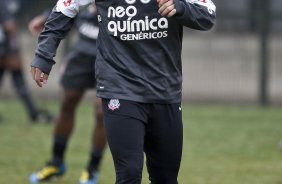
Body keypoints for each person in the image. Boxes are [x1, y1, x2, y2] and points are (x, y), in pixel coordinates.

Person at [30, 0, 216, 183]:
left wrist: (181, 7)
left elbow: (208, 14)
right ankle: (68, 163)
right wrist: (44, 53)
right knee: (129, 174)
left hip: (164, 90)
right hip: (119, 87)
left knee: (166, 177)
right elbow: (65, 7)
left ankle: (89, 168)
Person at [28, 5, 107, 184]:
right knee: (67, 102)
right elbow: (69, 3)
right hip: (82, 52)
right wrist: (46, 16)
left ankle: (92, 169)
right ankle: (56, 162)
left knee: (102, 112)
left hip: (110, 54)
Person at [0, 0, 53, 122]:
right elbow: (9, 26)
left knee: (17, 79)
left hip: (6, 44)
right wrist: (12, 50)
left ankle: (33, 113)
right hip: (4, 45)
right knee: (18, 78)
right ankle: (34, 113)